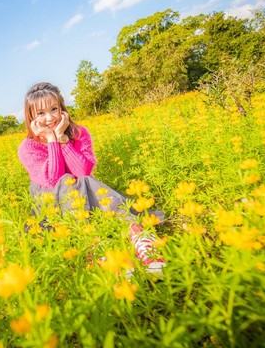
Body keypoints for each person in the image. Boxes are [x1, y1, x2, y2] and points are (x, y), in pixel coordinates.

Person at [17, 82, 166, 274]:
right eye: (40, 113)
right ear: (31, 117)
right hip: (51, 204)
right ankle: (94, 245)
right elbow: (54, 180)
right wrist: (51, 140)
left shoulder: (79, 133)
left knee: (81, 180)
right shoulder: (27, 147)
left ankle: (140, 237)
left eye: (54, 109)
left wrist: (62, 139)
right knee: (65, 181)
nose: (49, 117)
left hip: (84, 192)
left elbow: (83, 173)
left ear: (62, 109)